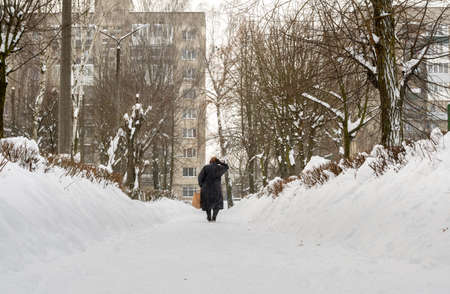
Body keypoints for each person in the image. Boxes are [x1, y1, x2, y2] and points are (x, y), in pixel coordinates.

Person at [198, 156, 229, 222]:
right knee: (217, 203)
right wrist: (220, 163)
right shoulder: (219, 168)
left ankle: (209, 216)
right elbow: (226, 167)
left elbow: (200, 177)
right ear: (216, 161)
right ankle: (214, 216)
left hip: (206, 188)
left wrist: (202, 185)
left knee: (207, 203)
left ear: (210, 161)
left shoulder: (206, 167)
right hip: (216, 188)